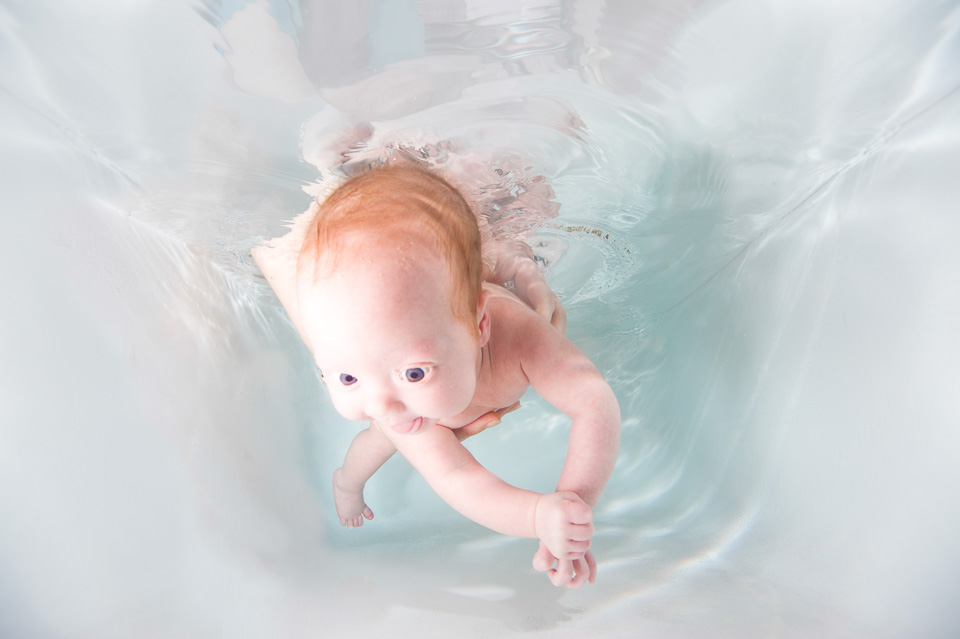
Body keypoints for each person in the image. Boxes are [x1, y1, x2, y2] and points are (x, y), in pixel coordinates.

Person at [254, 164, 620, 588]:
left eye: (414, 372)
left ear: (480, 325)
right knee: (376, 442)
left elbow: (593, 401)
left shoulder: (519, 336)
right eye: (346, 378)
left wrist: (572, 504)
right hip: (429, 406)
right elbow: (459, 480)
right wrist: (538, 517)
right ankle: (346, 483)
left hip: (472, 276)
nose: (379, 405)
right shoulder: (398, 402)